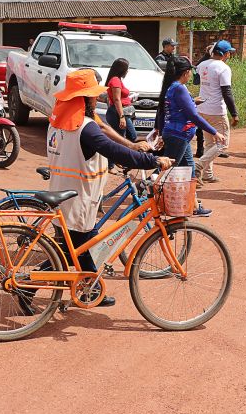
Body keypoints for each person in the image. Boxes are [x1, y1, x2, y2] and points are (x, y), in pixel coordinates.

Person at [47, 69, 171, 306]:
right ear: (84, 99)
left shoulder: (59, 122)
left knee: (83, 245)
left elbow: (104, 132)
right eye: (93, 96)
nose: (97, 99)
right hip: (79, 197)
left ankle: (90, 289)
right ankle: (27, 287)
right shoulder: (84, 127)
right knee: (68, 252)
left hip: (64, 193)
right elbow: (112, 150)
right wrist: (151, 160)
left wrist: (132, 146)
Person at [155, 57, 223, 215]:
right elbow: (193, 116)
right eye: (190, 72)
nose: (191, 75)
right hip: (178, 135)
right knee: (167, 169)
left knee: (190, 170)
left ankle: (194, 205)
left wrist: (192, 101)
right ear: (185, 73)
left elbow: (178, 108)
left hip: (180, 136)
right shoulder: (179, 88)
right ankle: (147, 194)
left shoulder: (173, 87)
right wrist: (214, 132)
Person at [195, 40, 239, 185]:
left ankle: (207, 175)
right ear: (225, 54)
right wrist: (234, 113)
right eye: (229, 53)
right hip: (216, 111)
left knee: (209, 143)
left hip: (201, 109)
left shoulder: (202, 65)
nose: (229, 55)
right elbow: (227, 92)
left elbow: (196, 81)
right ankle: (199, 166)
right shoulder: (223, 68)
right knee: (222, 144)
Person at [104, 58, 137, 144]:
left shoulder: (117, 79)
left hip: (123, 111)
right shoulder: (115, 80)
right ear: (122, 69)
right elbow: (117, 99)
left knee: (128, 136)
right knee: (124, 138)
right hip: (118, 112)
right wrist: (121, 117)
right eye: (127, 68)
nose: (127, 71)